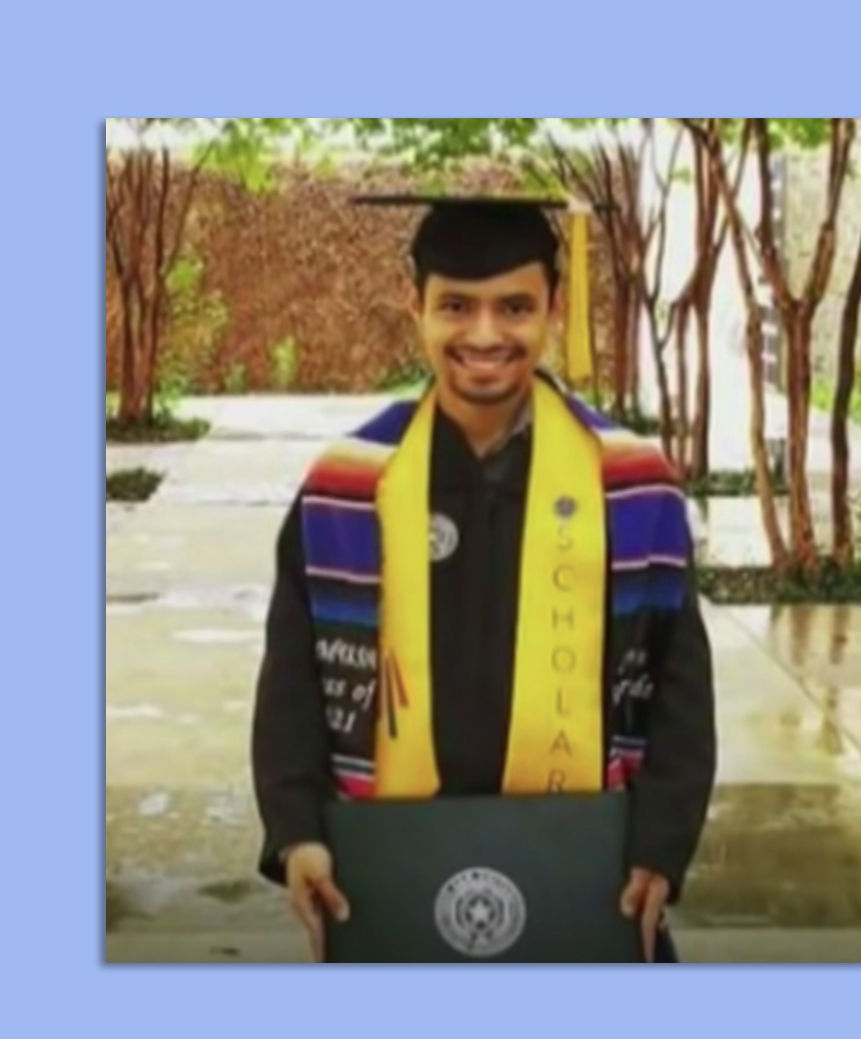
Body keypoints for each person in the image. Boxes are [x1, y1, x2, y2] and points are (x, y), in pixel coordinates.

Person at [250, 196, 716, 962]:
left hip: (587, 872)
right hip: (390, 872)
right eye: (456, 306)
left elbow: (680, 687)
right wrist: (298, 831)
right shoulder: (348, 484)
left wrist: (662, 845)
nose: (486, 334)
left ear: (554, 310)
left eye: (516, 307)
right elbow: (293, 677)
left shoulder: (631, 485)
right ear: (416, 307)